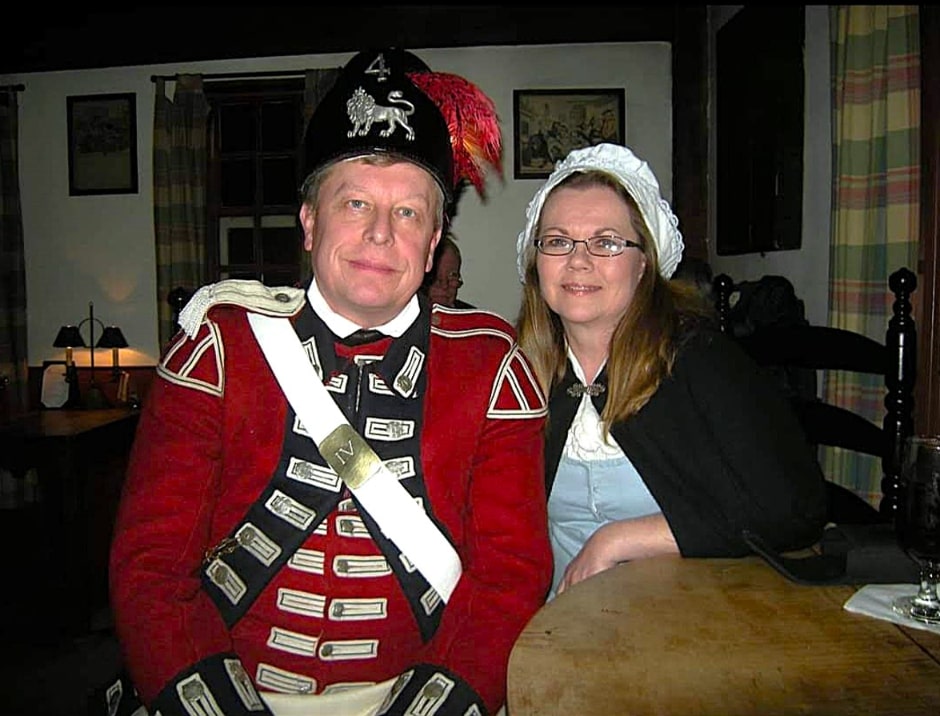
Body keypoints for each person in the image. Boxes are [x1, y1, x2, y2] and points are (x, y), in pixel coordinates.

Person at [109, 48, 552, 716]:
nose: (380, 232)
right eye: (355, 202)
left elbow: (508, 579)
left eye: (408, 213)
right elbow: (150, 572)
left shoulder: (490, 365)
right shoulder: (220, 347)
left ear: (433, 244)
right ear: (310, 223)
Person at [514, 143, 827, 599]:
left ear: (644, 264)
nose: (578, 261)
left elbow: (793, 509)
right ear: (535, 260)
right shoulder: (519, 371)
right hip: (552, 626)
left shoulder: (698, 359)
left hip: (678, 620)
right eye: (558, 241)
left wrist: (618, 539)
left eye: (606, 242)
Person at [422, 232, 474, 308]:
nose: (444, 285)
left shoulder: (474, 318)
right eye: (435, 274)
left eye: (452, 275)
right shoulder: (401, 316)